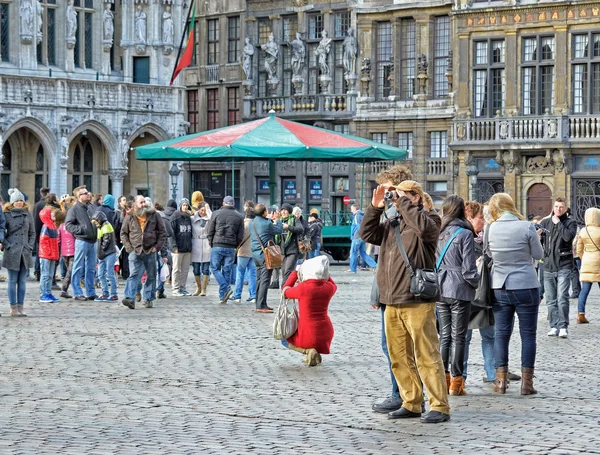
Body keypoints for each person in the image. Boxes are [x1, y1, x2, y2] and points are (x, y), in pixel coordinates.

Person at [360, 169, 450, 424]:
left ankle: (439, 406)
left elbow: (425, 230)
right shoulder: (393, 221)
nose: (397, 198)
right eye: (398, 195)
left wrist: (402, 200)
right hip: (391, 299)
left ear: (417, 197)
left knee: (426, 355)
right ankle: (411, 402)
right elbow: (367, 234)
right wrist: (375, 207)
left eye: (406, 195)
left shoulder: (430, 219)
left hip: (417, 299)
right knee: (399, 356)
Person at [487, 193, 543, 395]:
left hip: (500, 286)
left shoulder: (491, 228)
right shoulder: (526, 226)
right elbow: (538, 255)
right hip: (526, 284)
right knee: (528, 335)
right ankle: (527, 384)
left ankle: (501, 382)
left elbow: (488, 253)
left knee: (501, 334)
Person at [436, 195, 478, 396]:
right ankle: (456, 382)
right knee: (458, 337)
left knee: (444, 336)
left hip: (440, 288)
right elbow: (468, 268)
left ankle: (443, 380)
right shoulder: (465, 233)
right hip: (460, 289)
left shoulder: (438, 231)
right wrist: (477, 283)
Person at [462, 201, 496, 384]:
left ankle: (492, 373)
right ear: (469, 218)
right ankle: (461, 376)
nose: (483, 222)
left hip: (484, 292)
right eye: (480, 218)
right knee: (464, 337)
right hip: (467, 293)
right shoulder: (461, 237)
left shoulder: (488, 237)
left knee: (489, 335)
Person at [281, 255, 336, 366]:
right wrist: (324, 272)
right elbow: (331, 282)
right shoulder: (329, 288)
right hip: (325, 332)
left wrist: (295, 273)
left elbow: (285, 290)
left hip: (307, 332)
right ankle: (313, 354)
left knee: (284, 339)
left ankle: (309, 351)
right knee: (313, 339)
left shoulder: (304, 288)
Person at [539, 197, 577, 338]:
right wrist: (537, 236)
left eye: (561, 207)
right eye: (556, 206)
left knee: (562, 297)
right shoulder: (545, 223)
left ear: (566, 208)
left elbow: (568, 237)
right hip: (548, 265)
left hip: (564, 265)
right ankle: (554, 326)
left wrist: (558, 223)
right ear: (553, 207)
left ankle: (563, 326)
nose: (558, 209)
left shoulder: (571, 223)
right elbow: (539, 244)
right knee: (551, 299)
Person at [120, 195, 167, 309]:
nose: (144, 204)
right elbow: (123, 233)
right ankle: (129, 298)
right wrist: (129, 248)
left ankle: (148, 298)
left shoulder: (154, 215)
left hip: (150, 250)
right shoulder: (130, 216)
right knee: (134, 274)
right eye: (141, 202)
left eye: (144, 202)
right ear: (135, 204)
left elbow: (162, 232)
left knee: (151, 275)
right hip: (135, 250)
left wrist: (157, 247)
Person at [370, 272, 402, 414]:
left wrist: (375, 295)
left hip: (394, 294)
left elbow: (385, 264)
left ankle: (401, 395)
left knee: (393, 347)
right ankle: (408, 396)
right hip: (392, 293)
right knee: (392, 347)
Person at [2, 189, 35, 317]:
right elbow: (1, 232)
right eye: (17, 201)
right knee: (12, 280)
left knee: (22, 281)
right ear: (12, 202)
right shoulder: (6, 214)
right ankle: (13, 307)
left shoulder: (28, 214)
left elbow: (32, 232)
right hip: (12, 251)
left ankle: (21, 306)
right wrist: (7, 245)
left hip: (25, 251)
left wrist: (30, 246)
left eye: (21, 200)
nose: (20, 203)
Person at [206, 196, 245, 304]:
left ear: (223, 203)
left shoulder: (216, 213)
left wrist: (211, 242)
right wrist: (235, 245)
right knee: (227, 270)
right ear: (233, 204)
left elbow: (210, 230)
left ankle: (225, 289)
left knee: (214, 268)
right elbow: (240, 235)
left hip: (217, 244)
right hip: (231, 246)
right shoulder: (239, 216)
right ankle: (222, 296)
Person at [65, 186, 98, 301]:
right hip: (82, 240)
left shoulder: (90, 207)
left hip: (93, 240)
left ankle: (90, 292)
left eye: (87, 192)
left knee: (91, 268)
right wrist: (82, 230)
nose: (88, 194)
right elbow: (68, 225)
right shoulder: (74, 209)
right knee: (78, 267)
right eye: (85, 193)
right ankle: (77, 292)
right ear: (79, 197)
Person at [250, 203, 283, 313]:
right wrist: (277, 220)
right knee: (265, 280)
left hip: (256, 254)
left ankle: (260, 303)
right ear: (264, 212)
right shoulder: (267, 223)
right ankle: (261, 305)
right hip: (265, 255)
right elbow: (278, 230)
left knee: (259, 279)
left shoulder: (252, 222)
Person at [575, 207, 600, 324]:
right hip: (598, 261)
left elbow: (578, 249)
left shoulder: (583, 231)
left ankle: (580, 314)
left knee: (584, 290)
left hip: (587, 260)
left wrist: (583, 258)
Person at [231, 207, 257, 304]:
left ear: (245, 215)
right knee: (252, 274)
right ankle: (253, 295)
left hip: (243, 252)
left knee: (240, 273)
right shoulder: (256, 225)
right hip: (253, 252)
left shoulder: (243, 224)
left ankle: (237, 295)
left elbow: (239, 238)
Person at [91, 211, 118, 302]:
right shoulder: (101, 226)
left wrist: (101, 251)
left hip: (108, 253)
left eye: (96, 222)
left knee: (110, 274)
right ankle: (105, 293)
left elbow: (106, 240)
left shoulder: (106, 226)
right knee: (100, 274)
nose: (96, 224)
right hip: (102, 255)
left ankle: (113, 294)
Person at [170, 198, 193, 296]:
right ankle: (175, 288)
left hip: (187, 248)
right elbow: (171, 234)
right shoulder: (175, 217)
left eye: (187, 205)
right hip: (178, 248)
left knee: (185, 269)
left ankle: (183, 287)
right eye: (183, 205)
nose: (185, 207)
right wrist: (174, 246)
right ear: (180, 206)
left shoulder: (188, 217)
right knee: (176, 269)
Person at [347, 204, 378, 273]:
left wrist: (355, 235)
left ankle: (352, 269)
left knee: (353, 253)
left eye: (351, 209)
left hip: (357, 237)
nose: (351, 210)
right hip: (362, 237)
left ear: (355, 209)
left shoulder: (356, 216)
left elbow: (358, 227)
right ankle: (374, 265)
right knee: (363, 253)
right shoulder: (362, 215)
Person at [38, 207, 60, 303]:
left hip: (51, 254)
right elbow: (44, 242)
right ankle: (43, 294)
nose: (53, 215)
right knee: (45, 274)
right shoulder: (46, 226)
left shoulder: (52, 226)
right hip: (46, 254)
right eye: (51, 213)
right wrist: (50, 252)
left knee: (50, 275)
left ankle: (48, 292)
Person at [279, 203, 304, 284]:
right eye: (282, 210)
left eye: (285, 210)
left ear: (289, 211)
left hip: (292, 250)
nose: (283, 212)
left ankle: (284, 291)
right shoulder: (279, 220)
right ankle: (288, 290)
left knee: (288, 271)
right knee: (284, 272)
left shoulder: (294, 219)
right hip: (283, 251)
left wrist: (288, 227)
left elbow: (300, 229)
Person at [191, 202, 212, 297]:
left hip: (206, 244)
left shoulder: (209, 218)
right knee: (196, 269)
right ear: (198, 210)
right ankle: (198, 288)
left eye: (205, 210)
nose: (203, 212)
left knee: (206, 269)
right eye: (202, 210)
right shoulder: (193, 219)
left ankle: (204, 289)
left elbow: (213, 219)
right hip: (196, 243)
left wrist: (208, 210)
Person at [58, 199, 76, 299]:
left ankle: (65, 289)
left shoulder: (61, 226)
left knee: (69, 271)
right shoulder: (73, 226)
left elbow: (58, 240)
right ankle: (64, 289)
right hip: (72, 251)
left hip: (64, 252)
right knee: (70, 271)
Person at [33, 186, 50, 281]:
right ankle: (40, 272)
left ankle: (37, 271)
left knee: (39, 253)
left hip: (38, 232)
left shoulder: (37, 204)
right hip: (46, 232)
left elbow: (35, 220)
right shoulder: (46, 205)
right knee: (43, 254)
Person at [116, 195, 130, 280]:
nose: (125, 201)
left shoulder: (127, 211)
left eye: (126, 200)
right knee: (119, 254)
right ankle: (118, 271)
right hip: (118, 236)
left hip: (126, 236)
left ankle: (125, 273)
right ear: (120, 202)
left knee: (126, 255)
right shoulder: (117, 212)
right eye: (124, 200)